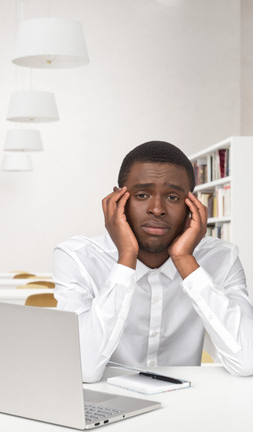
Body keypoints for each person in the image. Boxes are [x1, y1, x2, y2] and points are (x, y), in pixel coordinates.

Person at [53, 141, 253, 383]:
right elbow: (83, 368)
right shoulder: (78, 257)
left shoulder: (222, 258)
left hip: (188, 406)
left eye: (172, 196)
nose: (157, 209)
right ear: (117, 200)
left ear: (192, 205)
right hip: (105, 405)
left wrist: (185, 260)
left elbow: (247, 361)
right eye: (141, 195)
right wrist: (126, 257)